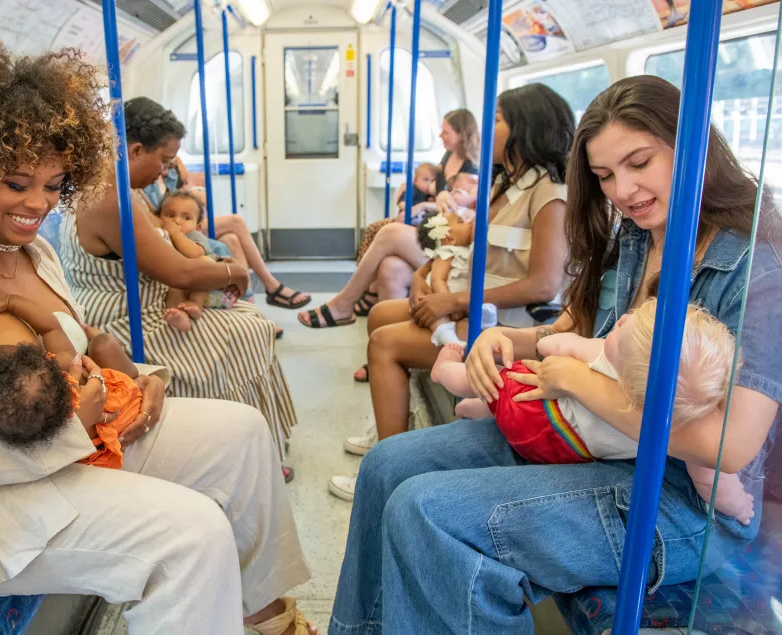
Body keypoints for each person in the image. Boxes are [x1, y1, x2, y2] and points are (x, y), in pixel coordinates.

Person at [0, 39, 316, 635]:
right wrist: (68, 427)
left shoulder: (34, 251)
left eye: (53, 183)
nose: (38, 203)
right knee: (189, 536)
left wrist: (139, 378)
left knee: (244, 432)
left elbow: (74, 340)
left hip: (79, 441)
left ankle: (266, 620)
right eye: (17, 183)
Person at [327, 75, 782, 634]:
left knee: (426, 511)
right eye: (605, 176)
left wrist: (576, 382)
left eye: (639, 163)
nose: (623, 190)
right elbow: (584, 337)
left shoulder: (756, 268)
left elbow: (730, 444)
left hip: (683, 504)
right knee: (386, 466)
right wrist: (505, 340)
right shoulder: (640, 237)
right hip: (598, 448)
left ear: (692, 149)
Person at [330, 84, 575, 491]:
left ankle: (388, 472)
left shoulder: (550, 195)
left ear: (526, 129)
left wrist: (456, 299)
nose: (487, 128)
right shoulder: (507, 187)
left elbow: (544, 284)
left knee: (384, 345)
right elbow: (466, 243)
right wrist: (432, 279)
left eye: (496, 120)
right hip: (474, 307)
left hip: (507, 323)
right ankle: (393, 427)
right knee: (378, 315)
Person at [62, 96, 297, 465]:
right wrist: (234, 271)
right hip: (124, 313)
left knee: (250, 323)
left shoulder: (122, 188)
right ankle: (238, 453)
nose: (164, 172)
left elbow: (170, 239)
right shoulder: (110, 199)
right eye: (164, 161)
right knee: (247, 332)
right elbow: (177, 272)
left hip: (141, 298)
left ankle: (259, 445)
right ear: (137, 149)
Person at [432, 298, 755, 524]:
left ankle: (445, 371)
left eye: (619, 332)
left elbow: (551, 345)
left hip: (536, 413)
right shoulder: (680, 419)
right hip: (565, 451)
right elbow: (714, 484)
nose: (623, 319)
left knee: (492, 381)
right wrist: (739, 508)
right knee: (504, 404)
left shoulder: (600, 356)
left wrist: (565, 349)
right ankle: (482, 409)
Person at [307, 109, 480, 325]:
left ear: (462, 134)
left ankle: (345, 302)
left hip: (448, 239)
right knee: (391, 267)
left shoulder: (472, 171)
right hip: (433, 227)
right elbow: (436, 187)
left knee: (388, 231)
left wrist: (426, 204)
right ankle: (384, 344)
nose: (440, 136)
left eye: (446, 132)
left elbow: (458, 210)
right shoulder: (448, 157)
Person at [0, 272, 144, 470]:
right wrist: (9, 300)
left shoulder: (34, 431)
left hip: (96, 455)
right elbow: (50, 327)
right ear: (40, 356)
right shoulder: (66, 367)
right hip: (129, 403)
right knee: (103, 343)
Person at [146, 156, 312, 310]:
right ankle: (271, 286)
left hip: (187, 222)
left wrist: (182, 171)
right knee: (235, 221)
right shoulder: (147, 177)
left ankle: (249, 305)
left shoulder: (170, 171)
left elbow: (191, 195)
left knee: (231, 239)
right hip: (172, 226)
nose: (167, 164)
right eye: (167, 155)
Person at [153, 191, 219, 331]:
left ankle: (195, 304)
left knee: (205, 261)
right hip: (182, 281)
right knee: (174, 285)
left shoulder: (193, 235)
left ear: (198, 226)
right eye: (170, 215)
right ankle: (176, 314)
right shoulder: (161, 234)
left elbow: (195, 254)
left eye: (186, 217)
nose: (177, 221)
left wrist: (175, 234)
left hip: (208, 287)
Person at [413, 210, 475, 348]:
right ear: (449, 240)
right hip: (440, 296)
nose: (469, 222)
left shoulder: (466, 250)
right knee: (437, 318)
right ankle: (448, 338)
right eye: (461, 222)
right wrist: (448, 302)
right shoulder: (447, 252)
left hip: (457, 301)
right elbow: (437, 279)